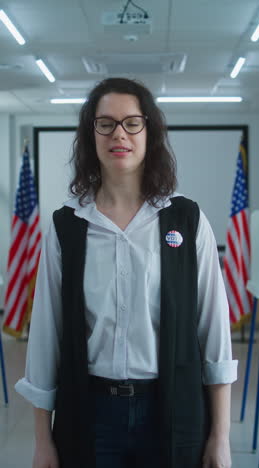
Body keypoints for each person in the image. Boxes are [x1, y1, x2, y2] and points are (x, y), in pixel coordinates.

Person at [15, 77, 237, 468]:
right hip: (89, 412)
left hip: (173, 411)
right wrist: (42, 440)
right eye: (106, 123)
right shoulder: (67, 226)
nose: (120, 133)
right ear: (91, 134)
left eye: (132, 122)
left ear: (149, 131)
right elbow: (47, 335)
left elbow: (214, 332)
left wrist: (220, 436)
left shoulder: (186, 219)